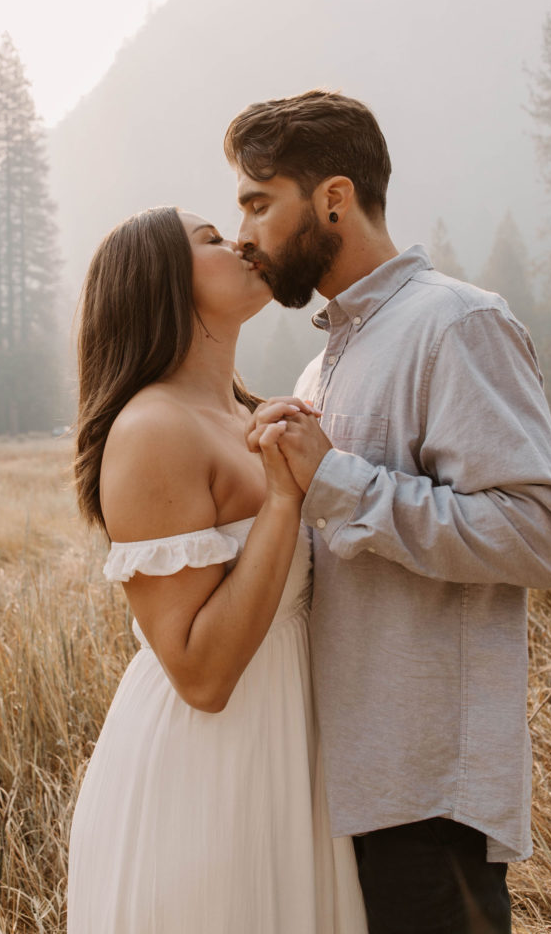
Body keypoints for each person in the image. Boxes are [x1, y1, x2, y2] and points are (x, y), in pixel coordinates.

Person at [224, 90, 551, 934]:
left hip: (426, 797)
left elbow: (541, 536)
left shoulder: (455, 324)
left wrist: (336, 482)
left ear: (333, 199)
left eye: (257, 202)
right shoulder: (321, 367)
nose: (242, 233)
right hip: (340, 790)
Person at [67, 206, 368, 933]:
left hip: (290, 757)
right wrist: (282, 501)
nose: (239, 243)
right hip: (209, 779)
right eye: (209, 241)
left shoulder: (248, 411)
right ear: (161, 283)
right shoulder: (151, 429)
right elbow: (201, 676)